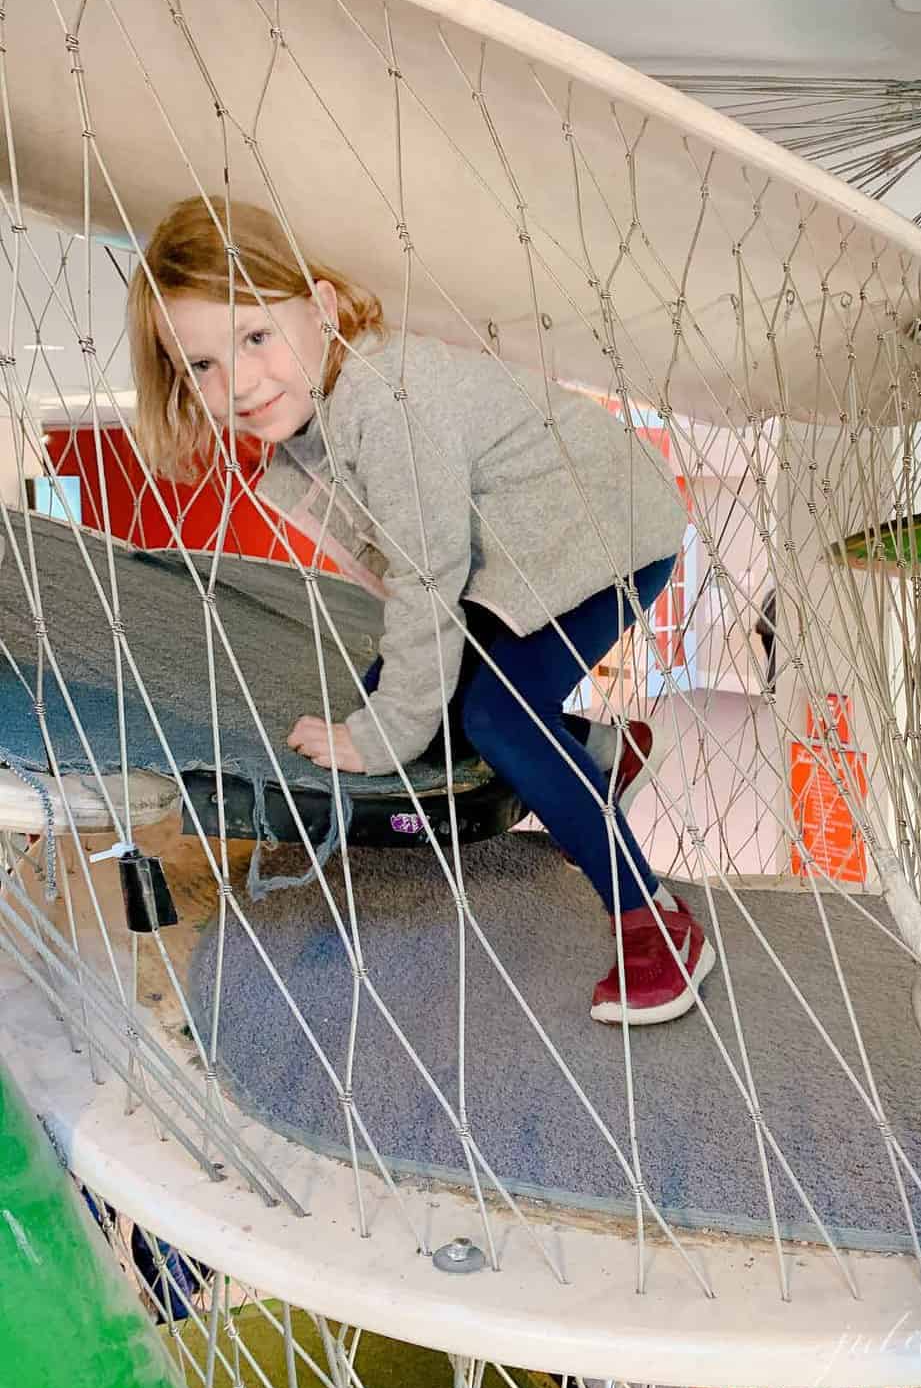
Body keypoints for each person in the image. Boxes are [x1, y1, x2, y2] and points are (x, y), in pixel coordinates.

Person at [129, 197, 714, 1025]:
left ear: (321, 308)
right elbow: (406, 573)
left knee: (497, 716)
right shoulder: (319, 413)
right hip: (521, 541)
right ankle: (600, 750)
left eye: (255, 337)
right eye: (201, 365)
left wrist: (385, 730)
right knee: (412, 698)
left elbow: (427, 580)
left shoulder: (387, 404)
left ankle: (652, 918)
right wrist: (393, 708)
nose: (240, 384)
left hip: (607, 529)